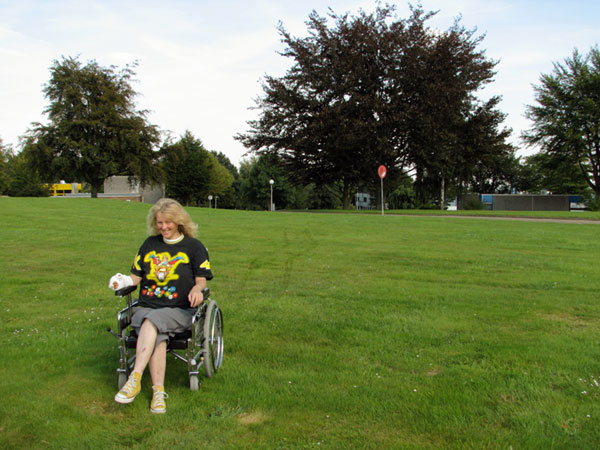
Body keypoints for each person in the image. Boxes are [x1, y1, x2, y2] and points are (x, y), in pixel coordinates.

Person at [108, 198, 213, 413]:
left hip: (179, 310)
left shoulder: (194, 247)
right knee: (156, 329)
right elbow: (135, 277)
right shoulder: (149, 244)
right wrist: (121, 282)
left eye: (168, 222)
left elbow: (201, 279)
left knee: (152, 321)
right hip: (147, 306)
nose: (163, 227)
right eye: (159, 222)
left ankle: (134, 378)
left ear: (179, 221)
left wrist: (196, 289)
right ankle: (158, 394)